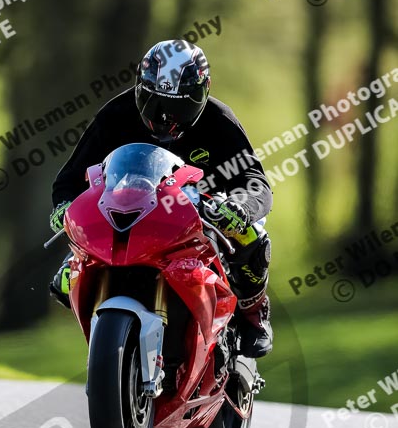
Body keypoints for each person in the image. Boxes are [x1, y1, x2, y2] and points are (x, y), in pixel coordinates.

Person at [49, 39, 273, 358]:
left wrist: (241, 206)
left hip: (204, 212)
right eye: (153, 103)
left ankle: (255, 314)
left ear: (202, 94)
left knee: (253, 237)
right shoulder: (116, 114)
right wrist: (64, 206)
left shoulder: (219, 121)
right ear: (140, 89)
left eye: (180, 106)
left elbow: (256, 181)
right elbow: (70, 178)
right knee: (64, 279)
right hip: (134, 211)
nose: (166, 118)